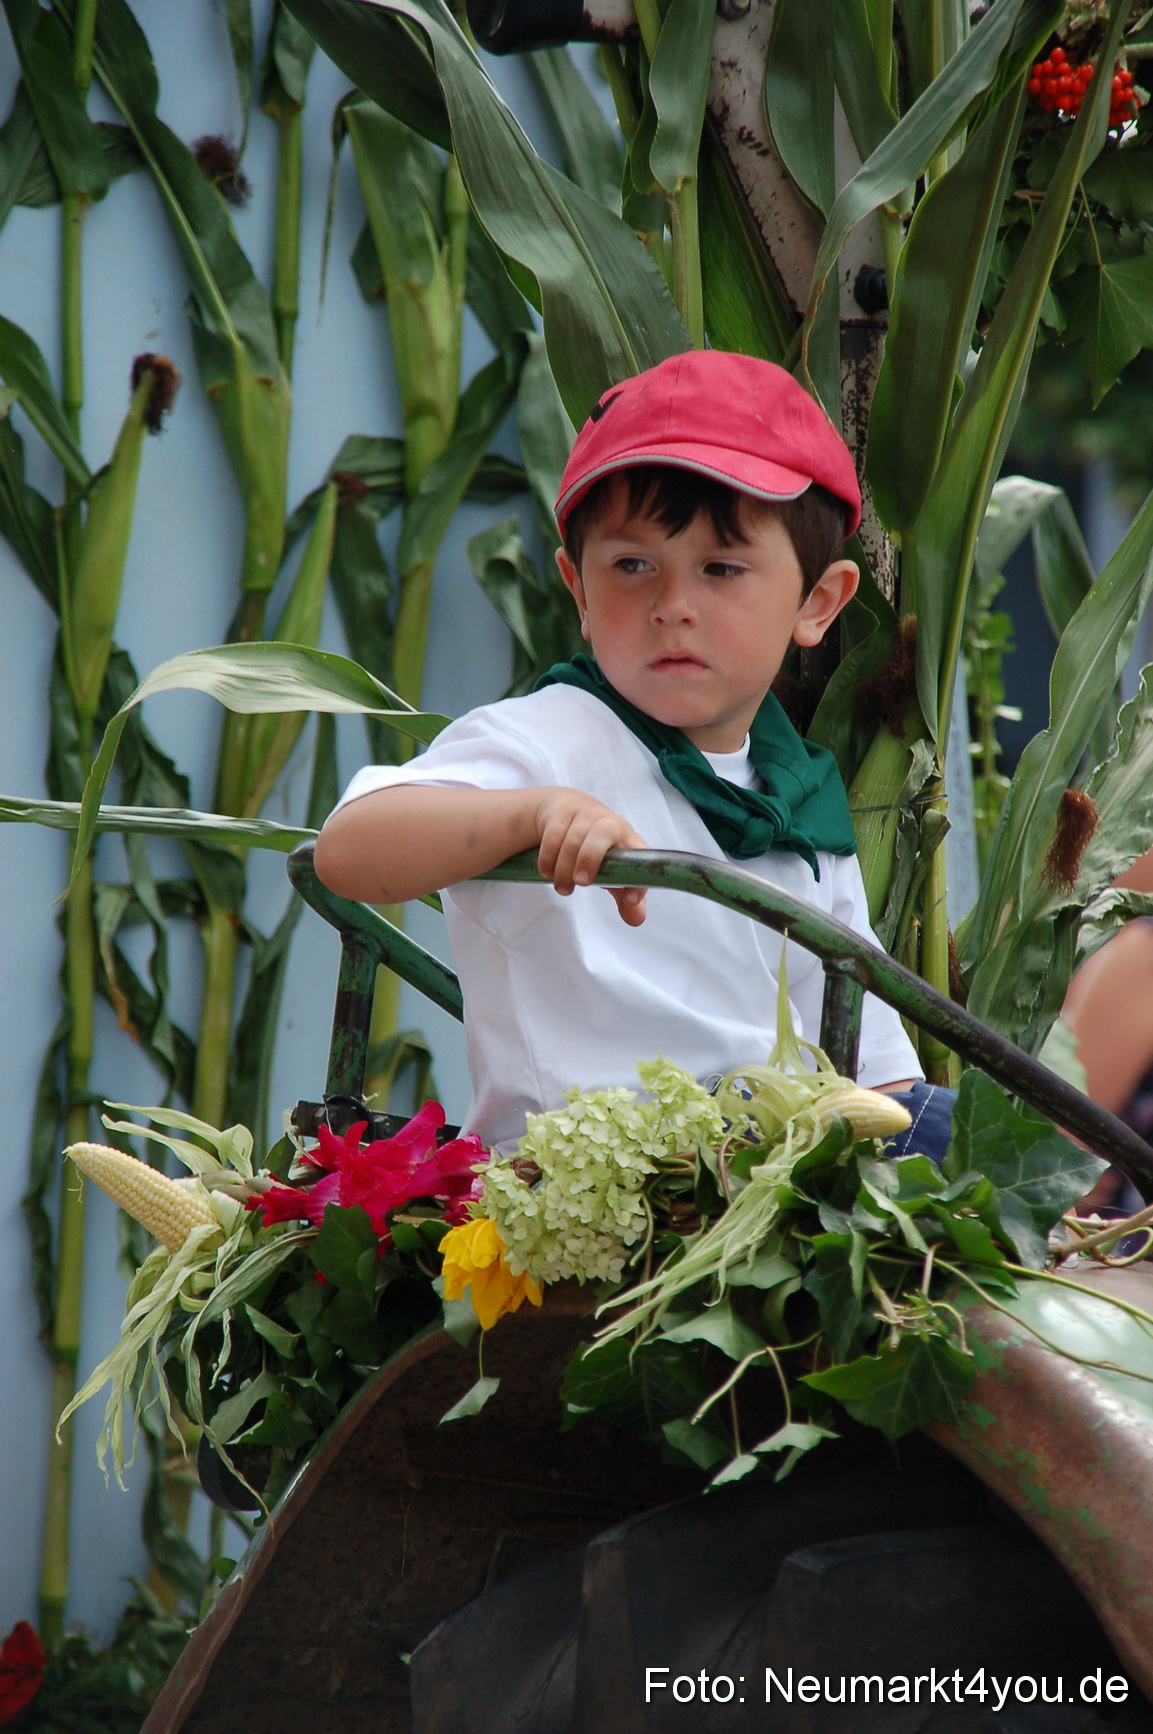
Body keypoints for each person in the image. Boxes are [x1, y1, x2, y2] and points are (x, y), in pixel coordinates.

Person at [315, 351, 935, 1152]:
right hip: (596, 1191)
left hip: (769, 1184)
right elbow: (348, 851)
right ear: (578, 589)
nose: (672, 606)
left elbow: (879, 1077)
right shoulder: (553, 736)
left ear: (816, 603)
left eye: (721, 568)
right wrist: (533, 813)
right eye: (632, 565)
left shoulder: (800, 803)